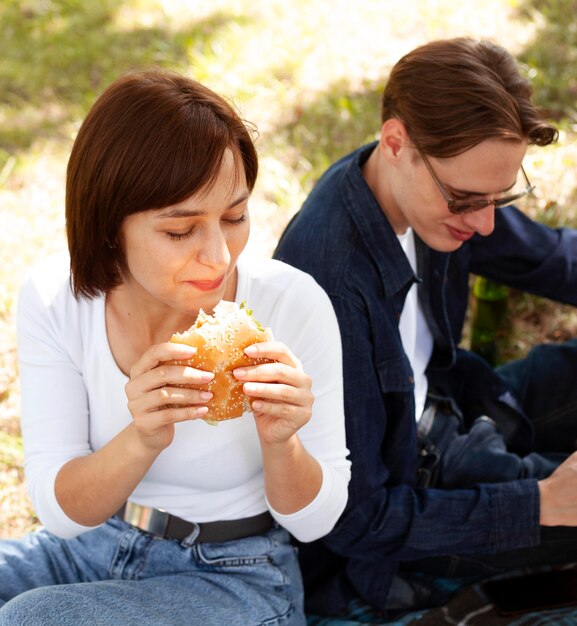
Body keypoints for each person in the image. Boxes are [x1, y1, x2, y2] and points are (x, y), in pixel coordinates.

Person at [0, 69, 350, 626]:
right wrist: (142, 437)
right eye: (181, 230)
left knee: (34, 619)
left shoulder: (291, 303)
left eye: (234, 217)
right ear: (110, 225)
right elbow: (63, 514)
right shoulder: (55, 299)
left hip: (239, 573)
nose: (218, 254)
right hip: (95, 542)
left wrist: (282, 441)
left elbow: (317, 522)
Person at [274, 37, 577, 620]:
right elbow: (358, 520)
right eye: (467, 200)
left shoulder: (425, 192)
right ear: (396, 144)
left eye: (501, 197)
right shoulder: (330, 285)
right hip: (410, 518)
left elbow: (547, 258)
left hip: (454, 410)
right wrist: (539, 503)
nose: (486, 224)